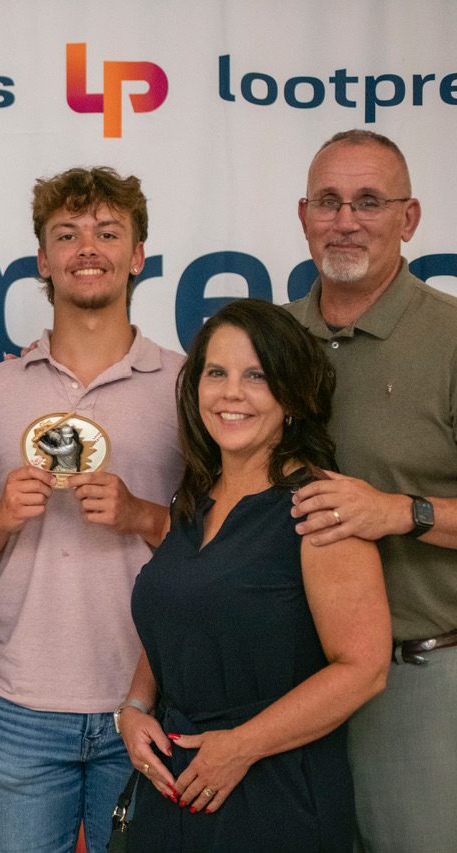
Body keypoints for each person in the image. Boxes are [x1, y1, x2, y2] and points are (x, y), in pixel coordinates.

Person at [0, 167, 183, 853]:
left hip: (153, 695)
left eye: (108, 233)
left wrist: (142, 516)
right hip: (21, 702)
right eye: (67, 234)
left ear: (137, 255)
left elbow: (222, 541)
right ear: (43, 260)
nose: (88, 249)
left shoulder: (189, 383)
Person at [119, 298, 390, 851]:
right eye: (216, 373)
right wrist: (135, 707)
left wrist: (241, 745)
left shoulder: (320, 505)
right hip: (175, 787)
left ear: (290, 396)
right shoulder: (192, 499)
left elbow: (364, 669)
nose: (232, 393)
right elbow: (178, 618)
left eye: (257, 376)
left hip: (278, 793)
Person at [285, 129, 457, 852]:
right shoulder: (267, 343)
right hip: (283, 683)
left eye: (368, 202)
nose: (345, 220)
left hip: (416, 679)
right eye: (328, 201)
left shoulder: (450, 338)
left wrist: (399, 511)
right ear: (303, 217)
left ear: (408, 218)